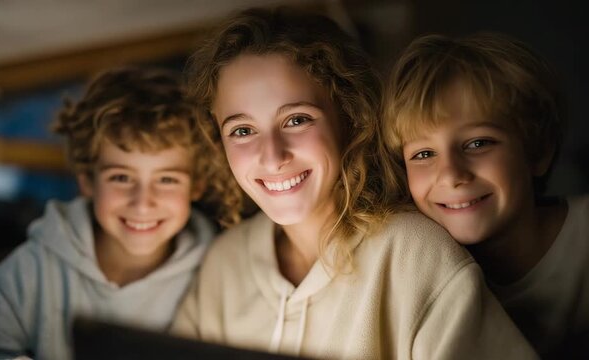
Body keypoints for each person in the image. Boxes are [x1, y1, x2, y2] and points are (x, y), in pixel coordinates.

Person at [171, 7, 537, 359]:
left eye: (297, 120)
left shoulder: (414, 254)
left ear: (350, 118)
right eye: (243, 130)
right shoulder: (224, 263)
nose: (272, 155)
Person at [0, 66, 241, 359]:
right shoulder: (31, 269)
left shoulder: (216, 276)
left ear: (196, 186)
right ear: (87, 180)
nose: (143, 202)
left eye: (167, 179)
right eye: (121, 177)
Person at [381, 32, 589, 358]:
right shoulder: (417, 266)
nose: (451, 174)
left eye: (478, 143)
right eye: (423, 154)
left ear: (538, 153)